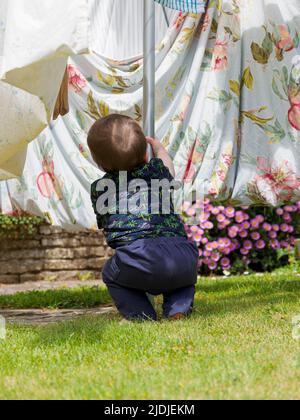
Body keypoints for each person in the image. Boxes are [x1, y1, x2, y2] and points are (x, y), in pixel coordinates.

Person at [88, 114, 198, 321]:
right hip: (181, 255)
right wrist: (160, 149)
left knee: (111, 275)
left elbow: (105, 224)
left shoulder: (101, 189)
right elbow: (169, 169)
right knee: (182, 280)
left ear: (100, 164)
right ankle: (178, 308)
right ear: (145, 156)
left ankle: (141, 315)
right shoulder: (156, 171)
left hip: (138, 259)